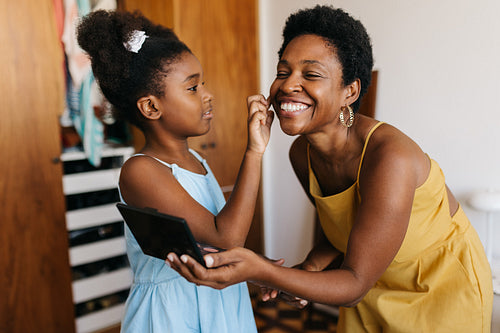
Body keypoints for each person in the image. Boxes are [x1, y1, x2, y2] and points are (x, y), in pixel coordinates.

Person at [167, 5, 493, 332]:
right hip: (370, 285)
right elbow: (346, 231)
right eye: (283, 72)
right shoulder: (301, 154)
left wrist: (260, 270)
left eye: (311, 74)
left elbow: (352, 286)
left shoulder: (389, 158)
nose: (287, 86)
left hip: (438, 290)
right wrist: (310, 267)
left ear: (349, 92)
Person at [77, 9, 274, 333]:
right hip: (173, 314)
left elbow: (206, 248)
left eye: (203, 83)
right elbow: (227, 236)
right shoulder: (140, 171)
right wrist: (254, 151)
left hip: (217, 302)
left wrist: (257, 269)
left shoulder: (198, 161)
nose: (207, 95)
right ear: (151, 107)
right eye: (193, 88)